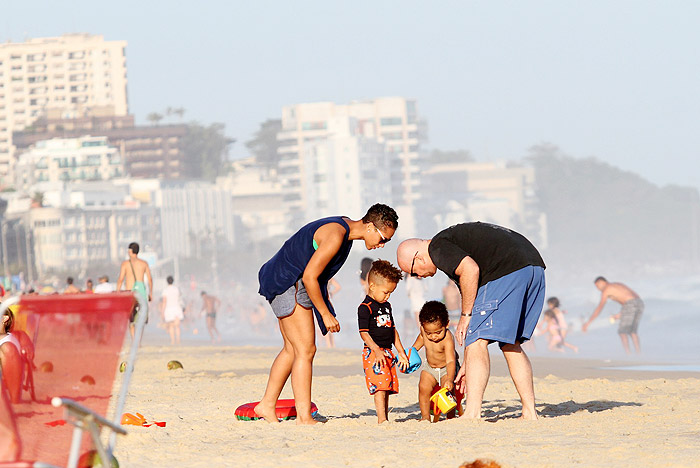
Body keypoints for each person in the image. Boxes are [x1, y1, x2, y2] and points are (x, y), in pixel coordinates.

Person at [255, 203, 398, 425]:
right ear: (370, 226)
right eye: (383, 238)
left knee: (292, 349)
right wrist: (325, 313)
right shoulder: (336, 235)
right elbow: (311, 276)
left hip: (286, 279)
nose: (382, 244)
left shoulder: (345, 228)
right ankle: (303, 417)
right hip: (288, 281)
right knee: (306, 349)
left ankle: (266, 404)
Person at [396, 222, 546, 420]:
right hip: (532, 267)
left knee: (477, 341)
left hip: (506, 270)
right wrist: (467, 360)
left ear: (418, 257)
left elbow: (471, 270)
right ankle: (529, 412)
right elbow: (471, 291)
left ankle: (472, 413)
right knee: (510, 343)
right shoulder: (452, 242)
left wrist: (466, 317)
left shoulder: (437, 247)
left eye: (413, 272)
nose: (417, 277)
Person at [358, 260, 409, 424]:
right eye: (385, 292)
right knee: (380, 386)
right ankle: (382, 419)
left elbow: (392, 330)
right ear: (372, 286)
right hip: (373, 352)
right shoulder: (365, 307)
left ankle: (384, 417)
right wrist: (376, 350)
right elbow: (364, 333)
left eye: (390, 293)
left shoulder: (386, 306)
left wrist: (401, 351)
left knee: (387, 386)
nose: (387, 296)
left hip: (387, 351)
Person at [411, 300, 459, 422]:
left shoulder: (447, 338)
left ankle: (450, 416)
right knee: (423, 387)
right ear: (422, 326)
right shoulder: (424, 331)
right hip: (430, 367)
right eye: (429, 333)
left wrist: (449, 378)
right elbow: (421, 338)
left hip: (446, 368)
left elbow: (450, 361)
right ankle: (425, 416)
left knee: (447, 390)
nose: (433, 337)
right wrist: (413, 350)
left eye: (438, 332)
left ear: (446, 324)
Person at [583, 277, 644, 354]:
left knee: (622, 332)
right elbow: (631, 298)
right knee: (632, 331)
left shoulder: (606, 290)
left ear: (602, 282)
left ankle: (628, 355)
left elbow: (599, 308)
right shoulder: (617, 284)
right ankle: (639, 354)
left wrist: (588, 323)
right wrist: (620, 314)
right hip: (639, 303)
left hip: (630, 304)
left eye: (597, 286)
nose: (598, 289)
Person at [117, 242, 153, 339]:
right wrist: (151, 293)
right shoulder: (144, 263)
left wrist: (118, 292)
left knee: (131, 317)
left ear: (130, 251)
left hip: (130, 292)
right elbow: (150, 279)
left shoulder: (125, 264)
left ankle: (134, 339)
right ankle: (138, 340)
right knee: (141, 317)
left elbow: (120, 279)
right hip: (141, 291)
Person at [161, 276, 184, 345]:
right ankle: (178, 340)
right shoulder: (176, 289)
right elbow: (180, 297)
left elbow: (164, 301)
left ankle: (173, 341)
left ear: (167, 281)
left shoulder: (165, 290)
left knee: (171, 326)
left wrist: (162, 311)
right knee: (177, 326)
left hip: (169, 309)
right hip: (177, 308)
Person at [321, 278, 341, 348]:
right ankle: (332, 344)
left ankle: (328, 344)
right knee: (331, 322)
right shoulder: (329, 277)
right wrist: (331, 293)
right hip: (328, 298)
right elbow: (338, 287)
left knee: (323, 324)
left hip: (322, 299)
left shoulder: (319, 277)